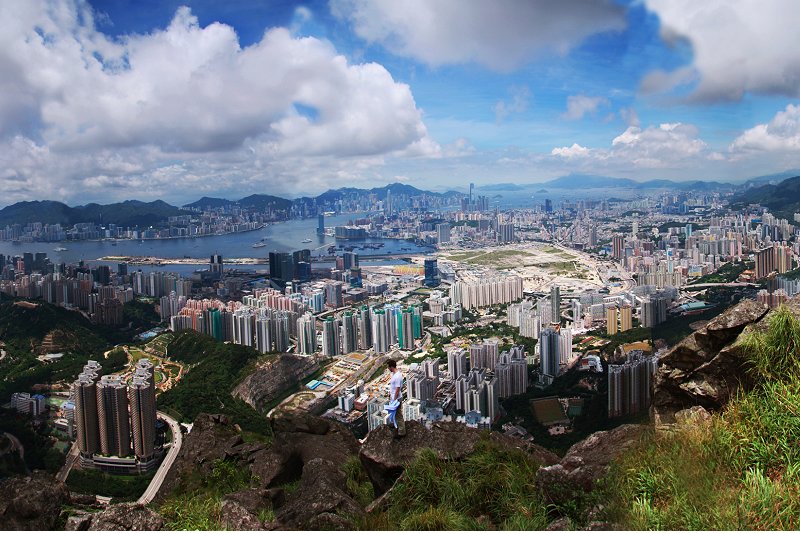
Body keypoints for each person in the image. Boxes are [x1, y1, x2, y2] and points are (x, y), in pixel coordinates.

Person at [387, 359, 406, 439]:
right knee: (394, 413)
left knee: (398, 414)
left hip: (397, 398)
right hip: (394, 397)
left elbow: (398, 389)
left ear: (391, 367)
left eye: (388, 367)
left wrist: (394, 400)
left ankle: (402, 432)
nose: (388, 369)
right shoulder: (395, 374)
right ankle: (395, 425)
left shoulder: (397, 376)